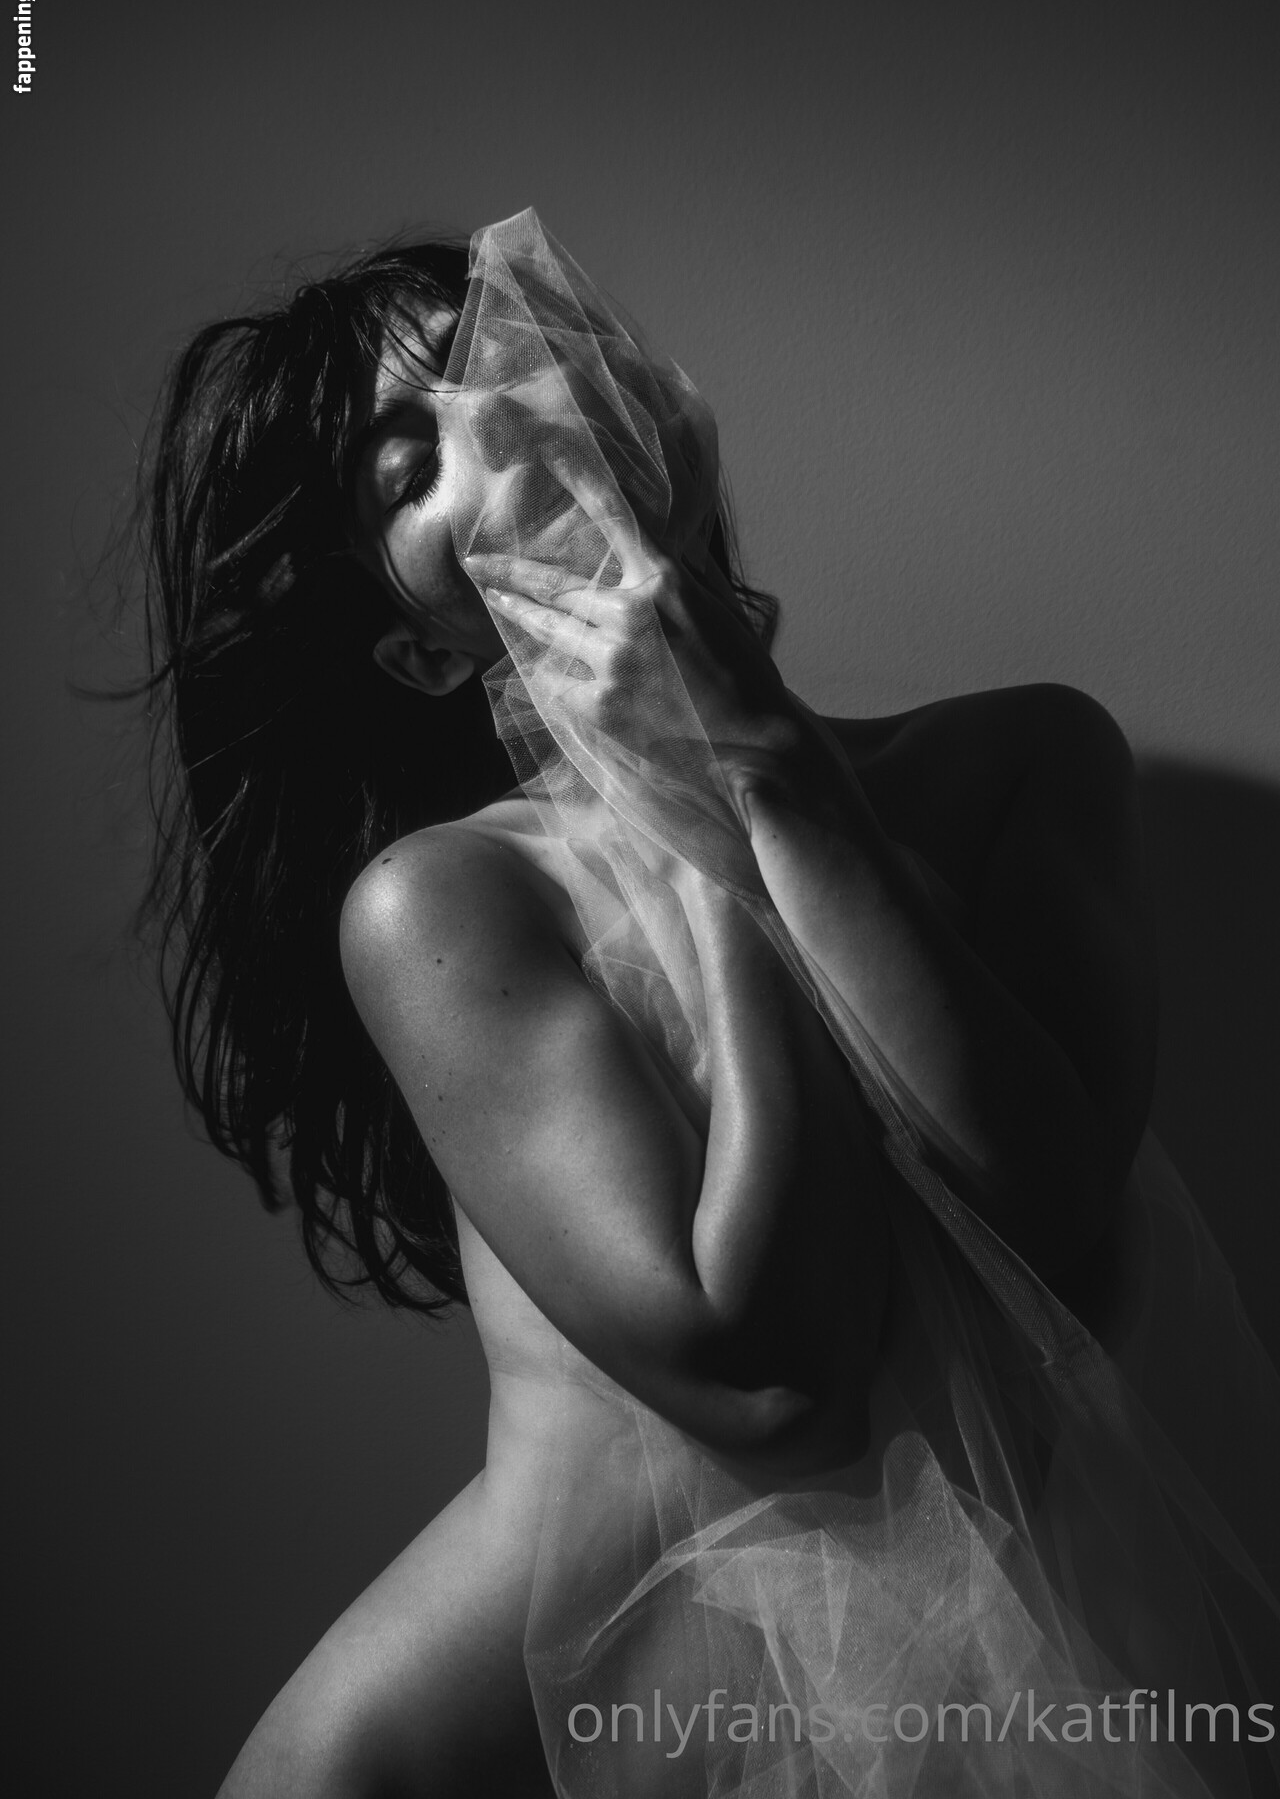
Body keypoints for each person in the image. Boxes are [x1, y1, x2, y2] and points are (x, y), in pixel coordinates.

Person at [135, 212, 1279, 1798]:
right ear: (420, 652)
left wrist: (770, 766)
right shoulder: (444, 905)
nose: (498, 419)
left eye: (501, 355)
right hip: (580, 1665)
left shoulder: (1025, 763)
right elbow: (775, 1382)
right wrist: (687, 810)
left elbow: (1057, 1231)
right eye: (409, 467)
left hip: (1063, 1632)